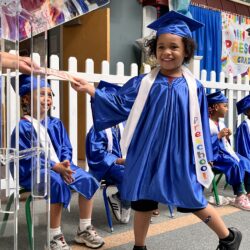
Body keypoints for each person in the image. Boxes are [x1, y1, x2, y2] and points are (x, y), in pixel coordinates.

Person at [71, 10, 242, 250]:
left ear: (186, 51)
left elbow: (201, 125)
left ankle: (228, 237)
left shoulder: (194, 87)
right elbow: (119, 102)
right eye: (161, 47)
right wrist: (91, 90)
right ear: (154, 51)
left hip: (181, 155)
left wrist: (206, 157)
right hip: (148, 152)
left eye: (173, 47)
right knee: (143, 199)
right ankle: (139, 246)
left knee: (191, 199)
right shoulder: (145, 83)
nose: (167, 52)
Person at [11, 75, 104, 250]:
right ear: (26, 98)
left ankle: (84, 228)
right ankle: (54, 235)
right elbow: (27, 157)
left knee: (87, 178)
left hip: (59, 167)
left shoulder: (56, 123)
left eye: (49, 94)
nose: (47, 99)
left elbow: (65, 147)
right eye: (41, 94)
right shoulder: (23, 127)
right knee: (56, 182)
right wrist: (56, 168)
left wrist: (66, 164)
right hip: (32, 171)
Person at [86, 81, 131, 224]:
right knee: (129, 175)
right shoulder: (97, 129)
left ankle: (120, 198)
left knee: (144, 170)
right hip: (106, 167)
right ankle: (126, 201)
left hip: (125, 163)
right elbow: (96, 155)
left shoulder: (125, 125)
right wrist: (118, 161)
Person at [207, 91, 250, 210]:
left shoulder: (220, 122)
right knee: (234, 164)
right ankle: (239, 196)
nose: (226, 109)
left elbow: (226, 145)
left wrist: (226, 137)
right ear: (215, 107)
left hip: (224, 153)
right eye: (224, 106)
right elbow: (203, 143)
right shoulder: (205, 123)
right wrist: (218, 136)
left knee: (245, 161)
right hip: (214, 156)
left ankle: (248, 192)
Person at [235, 94, 250, 201]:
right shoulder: (245, 126)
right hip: (247, 155)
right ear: (248, 111)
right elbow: (244, 149)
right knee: (247, 163)